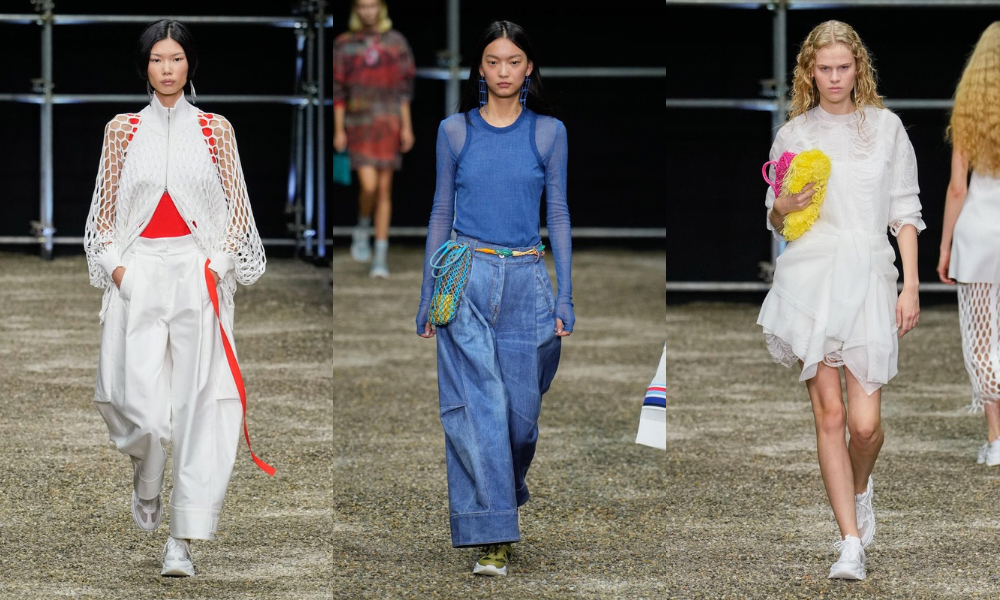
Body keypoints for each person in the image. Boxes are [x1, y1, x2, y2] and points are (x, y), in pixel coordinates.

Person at [83, 19, 270, 578]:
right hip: (138, 270)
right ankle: (147, 472)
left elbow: (238, 209)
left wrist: (219, 263)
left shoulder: (215, 130)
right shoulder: (122, 130)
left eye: (177, 58)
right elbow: (102, 213)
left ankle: (181, 541)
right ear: (144, 66)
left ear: (190, 64)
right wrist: (118, 269)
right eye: (157, 59)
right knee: (131, 400)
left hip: (196, 271)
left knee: (198, 406)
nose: (167, 69)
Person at [756, 20, 923, 581]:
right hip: (813, 276)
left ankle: (859, 487)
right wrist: (783, 207)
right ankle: (850, 541)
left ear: (858, 69)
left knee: (867, 426)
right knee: (831, 415)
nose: (833, 78)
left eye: (843, 68)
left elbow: (904, 209)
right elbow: (780, 220)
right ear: (809, 71)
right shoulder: (793, 135)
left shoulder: (886, 128)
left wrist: (910, 284)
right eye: (824, 68)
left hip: (870, 274)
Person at [414, 20, 573, 577]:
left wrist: (565, 296)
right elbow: (440, 210)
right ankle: (493, 536)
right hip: (465, 276)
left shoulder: (549, 133)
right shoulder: (454, 131)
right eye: (492, 61)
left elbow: (558, 213)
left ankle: (501, 492)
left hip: (528, 277)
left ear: (529, 68)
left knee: (521, 420)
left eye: (513, 61)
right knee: (478, 406)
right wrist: (427, 292)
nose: (503, 71)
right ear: (479, 69)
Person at [938, 22, 1000, 466]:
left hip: (978, 233)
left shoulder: (969, 111)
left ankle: (997, 440)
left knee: (982, 339)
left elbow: (958, 187)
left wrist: (944, 247)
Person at [332, 0, 415, 278]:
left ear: (381, 8)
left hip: (389, 122)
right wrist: (339, 129)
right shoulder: (344, 44)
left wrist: (407, 127)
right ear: (356, 9)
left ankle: (380, 257)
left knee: (384, 191)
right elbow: (338, 90)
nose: (368, 11)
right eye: (362, 6)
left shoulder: (396, 43)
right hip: (358, 124)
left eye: (372, 5)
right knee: (368, 186)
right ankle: (362, 225)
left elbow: (404, 90)